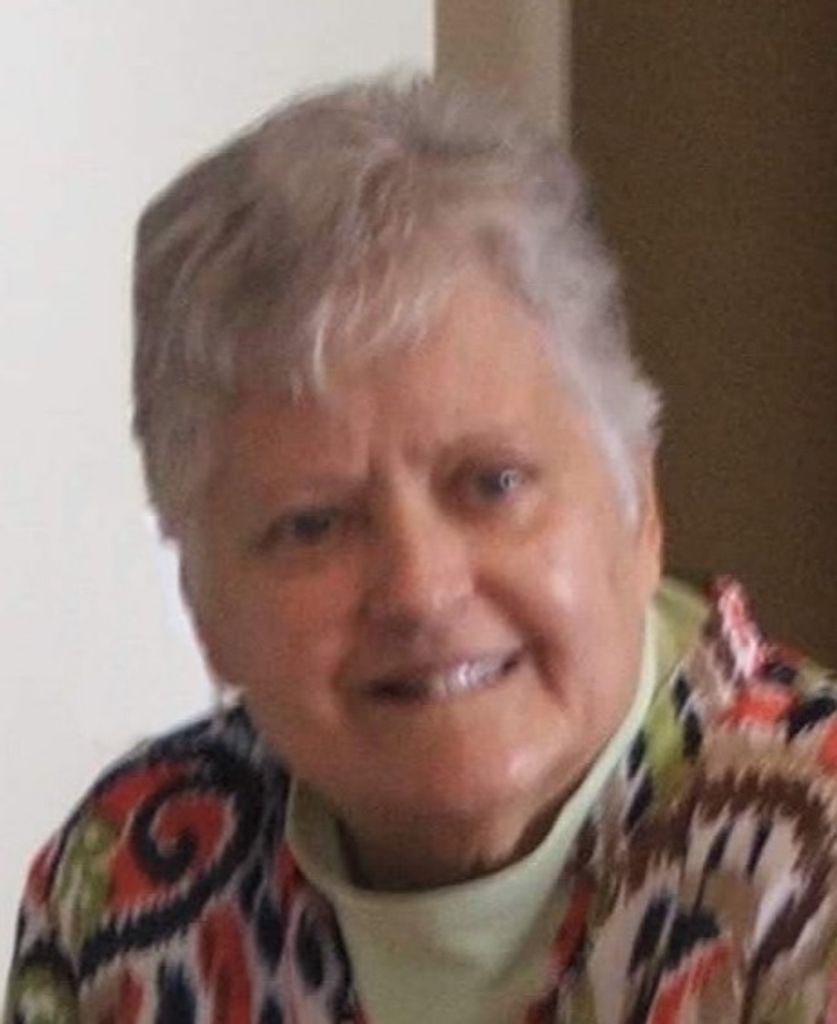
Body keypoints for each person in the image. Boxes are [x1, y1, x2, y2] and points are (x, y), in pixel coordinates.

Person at [4, 74, 836, 1024]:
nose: (420, 588)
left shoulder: (808, 871)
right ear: (202, 603)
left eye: (493, 483)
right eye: (313, 524)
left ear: (637, 507)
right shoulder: (123, 883)